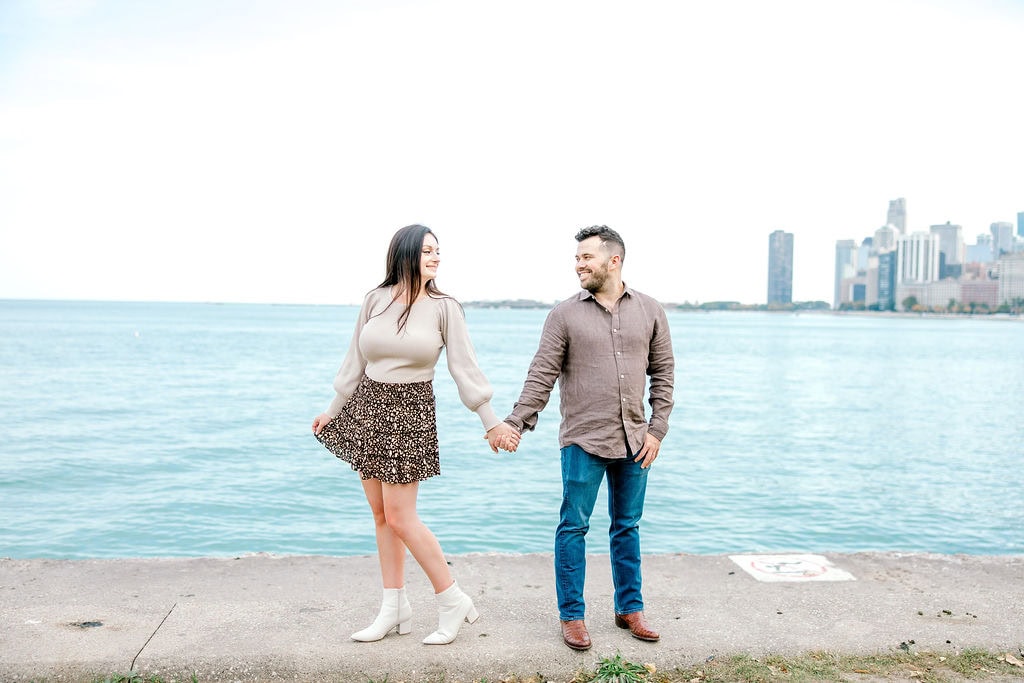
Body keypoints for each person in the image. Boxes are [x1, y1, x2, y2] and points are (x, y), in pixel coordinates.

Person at [313, 224, 520, 646]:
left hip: (410, 412)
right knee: (381, 516)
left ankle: (451, 598)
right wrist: (332, 410)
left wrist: (491, 421)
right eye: (428, 250)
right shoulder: (374, 299)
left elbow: (464, 368)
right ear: (405, 253)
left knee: (403, 517)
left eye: (438, 251)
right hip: (367, 408)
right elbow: (354, 360)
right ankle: (394, 608)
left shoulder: (445, 307)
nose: (436, 257)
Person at [488, 225, 675, 651]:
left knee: (627, 526)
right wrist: (517, 421)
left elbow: (663, 374)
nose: (578, 265)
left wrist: (658, 429)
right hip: (582, 441)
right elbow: (542, 375)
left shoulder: (650, 310)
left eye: (586, 258)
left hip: (636, 440)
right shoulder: (563, 315)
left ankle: (630, 608)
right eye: (576, 258)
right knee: (573, 526)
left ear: (614, 260)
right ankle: (572, 616)